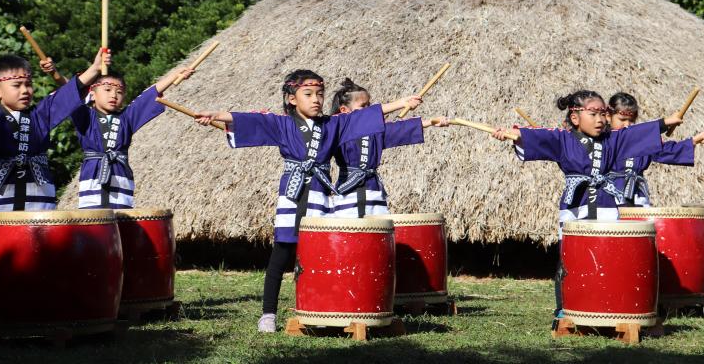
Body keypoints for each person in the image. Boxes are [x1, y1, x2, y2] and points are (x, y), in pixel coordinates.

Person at [194, 69, 421, 332]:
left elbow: (364, 117)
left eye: (320, 94)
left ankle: (323, 308)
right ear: (292, 99)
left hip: (321, 194)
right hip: (293, 192)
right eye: (308, 94)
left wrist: (400, 104)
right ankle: (268, 314)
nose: (316, 100)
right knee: (283, 252)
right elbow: (251, 120)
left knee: (320, 254)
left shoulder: (332, 125)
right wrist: (216, 115)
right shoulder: (282, 124)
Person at [0, 48, 109, 337]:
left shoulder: (40, 115)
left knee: (44, 255)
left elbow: (65, 97)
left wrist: (95, 69)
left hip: (39, 199)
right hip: (1, 201)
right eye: (17, 85)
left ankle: (45, 309)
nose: (26, 90)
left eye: (28, 84)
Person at [491, 90, 681, 328]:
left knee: (610, 259)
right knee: (570, 261)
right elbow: (538, 137)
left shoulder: (615, 139)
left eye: (603, 113)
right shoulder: (562, 139)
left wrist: (664, 123)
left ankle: (612, 307)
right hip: (576, 208)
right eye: (593, 114)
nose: (601, 119)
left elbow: (636, 134)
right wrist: (515, 135)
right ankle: (565, 308)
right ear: (575, 118)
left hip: (610, 207)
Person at [41, 59, 194, 209]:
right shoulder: (84, 115)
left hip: (120, 176)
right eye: (107, 90)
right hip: (93, 175)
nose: (113, 95)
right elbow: (70, 93)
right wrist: (55, 73)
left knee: (121, 224)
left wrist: (175, 74)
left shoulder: (127, 118)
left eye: (119, 92)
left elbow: (147, 96)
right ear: (92, 95)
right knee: (95, 223)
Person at [328, 77, 448, 218]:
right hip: (348, 193)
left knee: (379, 232)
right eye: (363, 106)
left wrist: (431, 122)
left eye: (369, 106)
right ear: (344, 110)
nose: (368, 111)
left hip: (374, 191)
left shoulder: (375, 133)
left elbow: (399, 128)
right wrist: (401, 103)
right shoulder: (337, 129)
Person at [606, 92, 704, 207]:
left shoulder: (641, 140)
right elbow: (619, 138)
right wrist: (664, 122)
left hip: (637, 198)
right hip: (609, 196)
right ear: (608, 116)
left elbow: (666, 151)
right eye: (622, 119)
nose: (627, 124)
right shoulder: (603, 138)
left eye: (631, 120)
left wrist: (694, 140)